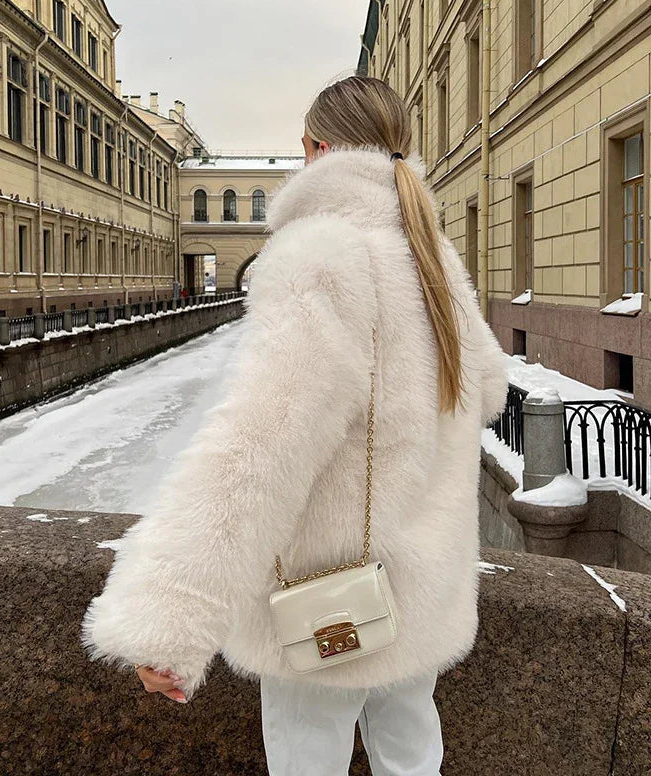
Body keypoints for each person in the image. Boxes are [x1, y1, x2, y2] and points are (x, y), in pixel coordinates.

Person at [80, 75, 508, 775]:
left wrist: (169, 613)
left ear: (314, 148)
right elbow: (486, 387)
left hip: (327, 605)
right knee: (413, 759)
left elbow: (257, 447)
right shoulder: (432, 259)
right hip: (423, 593)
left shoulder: (323, 256)